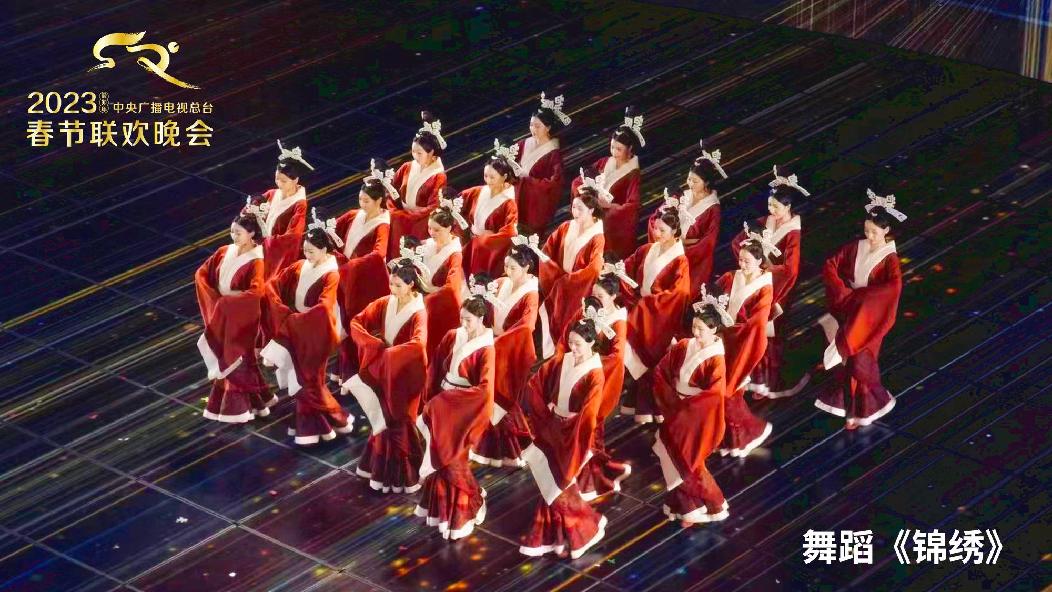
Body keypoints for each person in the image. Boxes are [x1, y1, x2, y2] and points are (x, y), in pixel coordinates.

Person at [260, 209, 353, 445]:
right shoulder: (301, 266)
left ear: (324, 250)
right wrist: (281, 308)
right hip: (298, 326)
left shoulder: (331, 274)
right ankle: (316, 426)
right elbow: (274, 284)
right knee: (304, 379)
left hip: (316, 332)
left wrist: (294, 319)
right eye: (305, 250)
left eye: (311, 251)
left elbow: (324, 307)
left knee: (310, 380)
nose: (306, 254)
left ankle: (334, 418)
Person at [814, 190, 906, 429]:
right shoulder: (857, 246)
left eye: (874, 232)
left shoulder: (890, 259)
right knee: (848, 363)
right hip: (850, 308)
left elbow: (893, 288)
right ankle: (851, 410)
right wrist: (843, 293)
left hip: (870, 317)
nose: (869, 236)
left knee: (860, 363)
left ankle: (867, 406)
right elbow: (831, 264)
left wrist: (861, 298)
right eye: (867, 231)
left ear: (886, 230)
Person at [519, 319, 607, 559]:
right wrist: (544, 414)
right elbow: (538, 381)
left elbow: (588, 414)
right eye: (570, 343)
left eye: (578, 344)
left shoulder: (595, 374)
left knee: (559, 484)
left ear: (591, 342)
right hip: (553, 426)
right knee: (550, 482)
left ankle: (582, 531)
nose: (573, 348)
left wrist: (571, 436)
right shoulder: (564, 359)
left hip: (573, 433)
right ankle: (558, 534)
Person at [343, 256, 428, 493]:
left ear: (411, 284)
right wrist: (373, 345)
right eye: (391, 283)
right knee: (383, 416)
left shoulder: (419, 312)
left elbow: (418, 344)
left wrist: (388, 354)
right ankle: (382, 472)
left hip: (406, 372)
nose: (392, 289)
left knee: (399, 419)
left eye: (398, 285)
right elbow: (358, 322)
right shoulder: (385, 302)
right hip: (384, 368)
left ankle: (405, 475)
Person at [415, 295, 496, 540]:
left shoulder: (487, 349)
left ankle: (471, 504)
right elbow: (436, 365)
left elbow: (484, 389)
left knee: (453, 460)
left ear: (481, 318)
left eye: (468, 319)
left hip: (462, 409)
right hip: (443, 403)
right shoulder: (454, 335)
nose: (464, 323)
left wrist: (447, 401)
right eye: (462, 318)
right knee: (442, 456)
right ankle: (445, 510)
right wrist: (430, 397)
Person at [652, 289, 733, 525]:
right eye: (694, 327)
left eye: (701, 329)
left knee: (689, 463)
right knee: (674, 458)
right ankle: (687, 507)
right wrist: (670, 400)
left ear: (714, 330)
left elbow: (714, 394)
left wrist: (684, 409)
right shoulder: (684, 345)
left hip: (696, 416)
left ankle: (714, 502)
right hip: (677, 407)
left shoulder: (716, 359)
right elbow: (662, 369)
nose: (695, 332)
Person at [731, 166, 808, 399]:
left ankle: (767, 383)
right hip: (757, 280)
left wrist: (765, 268)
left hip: (779, 288)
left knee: (769, 335)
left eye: (776, 206)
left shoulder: (793, 233)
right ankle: (751, 379)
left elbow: (790, 269)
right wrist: (750, 264)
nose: (771, 210)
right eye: (770, 205)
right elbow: (738, 241)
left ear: (788, 206)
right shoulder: (766, 221)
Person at [195, 205, 274, 422]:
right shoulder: (224, 251)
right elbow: (202, 273)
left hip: (241, 316)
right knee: (235, 358)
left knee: (235, 357)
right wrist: (217, 300)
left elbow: (256, 291)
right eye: (232, 232)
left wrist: (228, 302)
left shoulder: (256, 260)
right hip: (225, 311)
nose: (234, 236)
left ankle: (236, 410)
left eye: (238, 233)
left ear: (251, 234)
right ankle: (257, 401)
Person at [470, 244, 540, 467]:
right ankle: (501, 449)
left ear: (526, 267)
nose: (507, 271)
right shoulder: (501, 283)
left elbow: (526, 327)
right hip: (494, 343)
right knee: (492, 393)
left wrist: (498, 343)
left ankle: (514, 448)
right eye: (506, 266)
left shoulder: (530, 294)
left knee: (503, 395)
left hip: (512, 349)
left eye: (512, 268)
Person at [618, 209, 691, 424]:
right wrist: (617, 269)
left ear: (675, 231)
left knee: (653, 362)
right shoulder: (648, 249)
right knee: (639, 357)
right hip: (644, 312)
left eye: (662, 230)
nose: (657, 233)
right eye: (655, 228)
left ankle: (656, 408)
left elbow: (677, 295)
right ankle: (638, 404)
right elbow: (629, 266)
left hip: (660, 318)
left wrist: (646, 305)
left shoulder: (680, 261)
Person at [714, 225, 777, 456]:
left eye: (747, 261)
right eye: (740, 259)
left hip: (745, 343)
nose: (742, 264)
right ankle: (734, 438)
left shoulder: (764, 288)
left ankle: (751, 431)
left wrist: (729, 327)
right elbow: (713, 297)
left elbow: (756, 322)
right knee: (725, 391)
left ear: (760, 262)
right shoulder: (732, 277)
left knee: (729, 391)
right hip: (725, 339)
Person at [331, 159, 394, 384]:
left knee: (356, 322)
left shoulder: (382, 224)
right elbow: (333, 228)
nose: (362, 203)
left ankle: (358, 370)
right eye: (360, 199)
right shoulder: (353, 215)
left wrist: (352, 265)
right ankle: (344, 367)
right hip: (347, 276)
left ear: (379, 201)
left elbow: (378, 254)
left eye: (366, 201)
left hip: (365, 282)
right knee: (343, 318)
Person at [647, 141, 726, 297]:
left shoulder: (713, 209)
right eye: (689, 179)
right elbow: (656, 217)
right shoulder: (682, 195)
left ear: (707, 182)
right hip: (667, 244)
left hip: (689, 256)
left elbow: (707, 242)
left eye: (695, 181)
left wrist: (680, 245)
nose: (690, 184)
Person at [535, 187, 605, 359]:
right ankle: (553, 353)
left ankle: (565, 353)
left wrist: (570, 280)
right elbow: (548, 249)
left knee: (568, 321)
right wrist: (554, 273)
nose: (575, 212)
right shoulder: (566, 226)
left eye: (580, 208)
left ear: (591, 210)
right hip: (559, 280)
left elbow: (594, 268)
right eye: (573, 207)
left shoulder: (597, 237)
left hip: (578, 286)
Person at [569, 107, 643, 259]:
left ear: (630, 149)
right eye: (612, 147)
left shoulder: (633, 175)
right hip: (592, 211)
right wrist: (583, 190)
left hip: (609, 223)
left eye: (619, 149)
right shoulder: (604, 162)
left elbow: (632, 206)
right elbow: (578, 180)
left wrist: (610, 206)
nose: (614, 152)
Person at [412, 195, 466, 362]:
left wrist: (429, 291)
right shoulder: (427, 244)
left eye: (437, 230)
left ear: (449, 228)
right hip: (425, 295)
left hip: (442, 303)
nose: (431, 233)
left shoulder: (455, 254)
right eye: (430, 228)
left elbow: (451, 288)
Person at [387, 111, 448, 257]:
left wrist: (411, 216)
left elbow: (434, 205)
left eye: (419, 153)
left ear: (431, 152)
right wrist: (395, 211)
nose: (415, 156)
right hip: (400, 218)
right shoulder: (407, 166)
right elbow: (391, 188)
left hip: (420, 223)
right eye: (413, 151)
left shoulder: (438, 176)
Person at [461, 139, 520, 278]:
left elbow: (510, 232)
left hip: (487, 249)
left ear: (504, 177)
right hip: (471, 242)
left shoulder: (508, 202)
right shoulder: (478, 191)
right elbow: (456, 203)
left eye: (492, 177)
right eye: (485, 176)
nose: (488, 181)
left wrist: (486, 239)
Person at [515, 92, 569, 234]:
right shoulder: (524, 143)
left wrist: (527, 180)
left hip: (532, 204)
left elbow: (555, 184)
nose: (533, 129)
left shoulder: (553, 154)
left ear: (548, 127)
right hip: (515, 196)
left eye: (538, 126)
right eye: (531, 125)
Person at [260, 140, 312, 279]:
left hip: (277, 255)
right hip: (261, 248)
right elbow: (249, 209)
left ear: (295, 180)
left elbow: (292, 237)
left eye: (283, 181)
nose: (279, 184)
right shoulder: (271, 194)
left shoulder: (299, 204)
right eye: (277, 179)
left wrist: (267, 241)